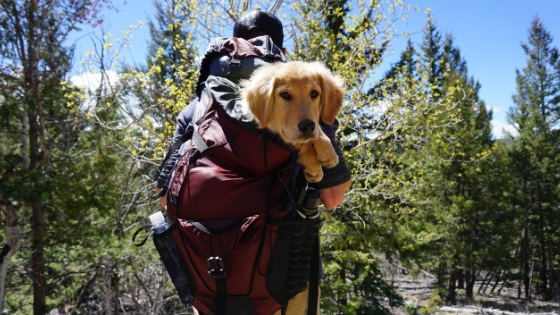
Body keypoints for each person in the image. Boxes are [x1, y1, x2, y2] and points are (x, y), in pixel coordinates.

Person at [162, 10, 352, 314]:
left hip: (212, 282)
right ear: (283, 52)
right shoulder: (307, 99)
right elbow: (333, 196)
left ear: (236, 45)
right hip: (287, 275)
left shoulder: (197, 108)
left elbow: (165, 196)